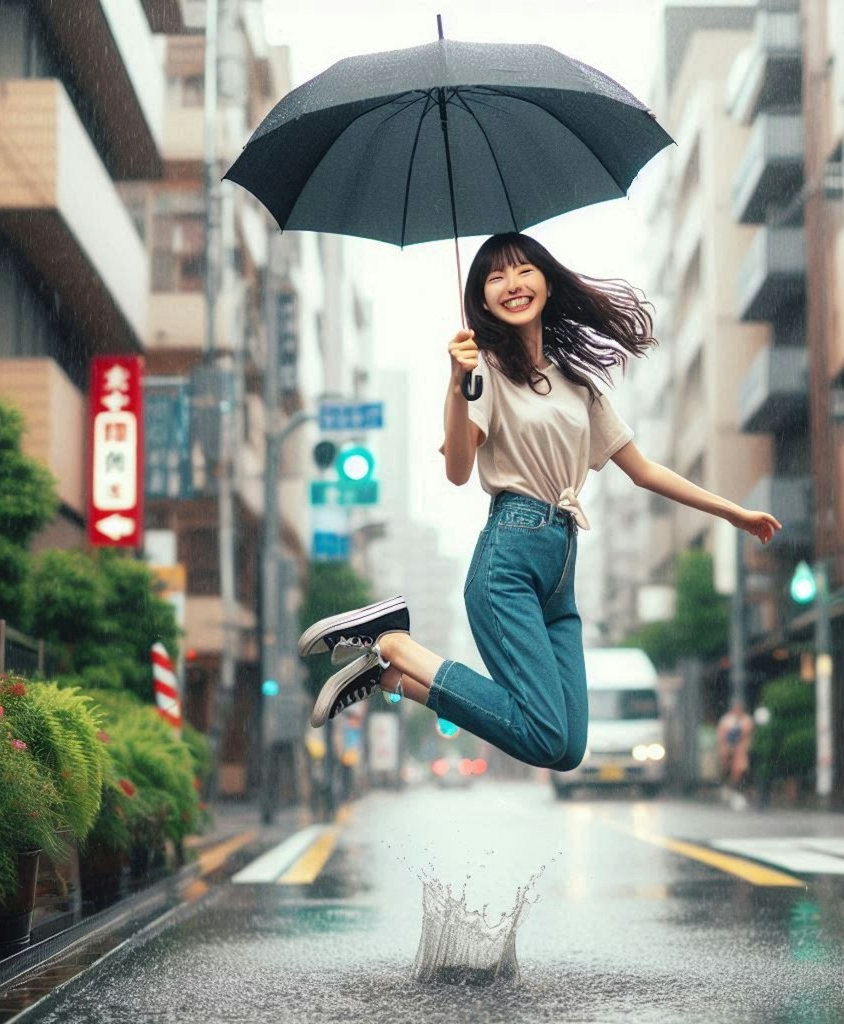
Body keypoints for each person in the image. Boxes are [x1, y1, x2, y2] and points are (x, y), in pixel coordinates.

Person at [298, 232, 782, 773]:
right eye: (495, 277)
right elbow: (458, 470)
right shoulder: (482, 369)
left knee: (566, 747)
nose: (512, 284)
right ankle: (395, 642)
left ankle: (388, 676)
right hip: (510, 552)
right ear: (482, 300)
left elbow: (643, 471)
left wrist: (733, 512)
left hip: (561, 565)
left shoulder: (577, 384)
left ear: (547, 284)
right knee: (544, 730)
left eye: (524, 271)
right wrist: (457, 386)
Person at [717, 700, 754, 808]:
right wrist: (727, 747)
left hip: (741, 751)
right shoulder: (726, 720)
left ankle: (737, 793)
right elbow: (722, 734)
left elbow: (745, 732)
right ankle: (727, 791)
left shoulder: (746, 720)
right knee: (726, 770)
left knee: (740, 771)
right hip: (727, 751)